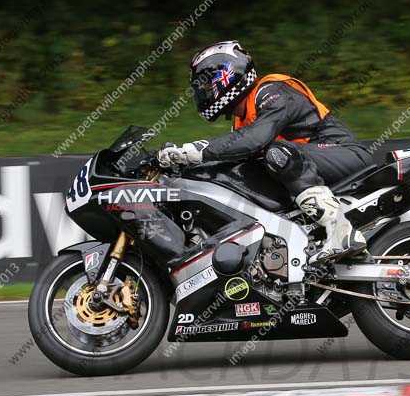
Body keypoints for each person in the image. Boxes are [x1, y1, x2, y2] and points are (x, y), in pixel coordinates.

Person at [157, 40, 372, 262]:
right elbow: (238, 150)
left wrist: (197, 150)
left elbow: (255, 140)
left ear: (227, 76)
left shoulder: (272, 90)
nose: (203, 93)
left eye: (208, 86)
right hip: (311, 164)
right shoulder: (242, 121)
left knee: (277, 153)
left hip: (347, 155)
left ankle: (341, 232)